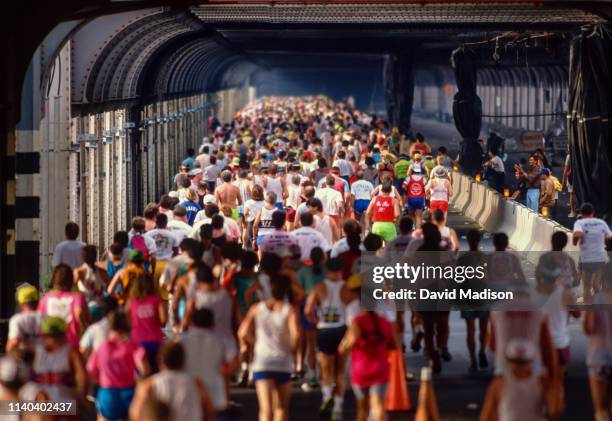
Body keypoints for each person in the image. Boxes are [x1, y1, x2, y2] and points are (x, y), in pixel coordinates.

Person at [239, 274, 301, 421]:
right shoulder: (289, 310)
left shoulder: (257, 308)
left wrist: (253, 342)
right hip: (283, 362)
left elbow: (242, 332)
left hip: (262, 361)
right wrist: (291, 349)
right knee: (280, 407)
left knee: (265, 410)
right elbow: (296, 335)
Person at [305, 257, 352, 420]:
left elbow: (308, 310)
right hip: (342, 330)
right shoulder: (347, 288)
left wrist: (316, 322)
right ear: (341, 271)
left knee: (326, 369)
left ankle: (326, 398)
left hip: (324, 330)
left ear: (327, 270)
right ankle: (338, 407)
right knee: (340, 370)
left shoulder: (319, 288)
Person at [129, 341, 213, 421]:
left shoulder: (149, 385)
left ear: (160, 361)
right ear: (183, 361)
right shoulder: (197, 384)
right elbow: (209, 410)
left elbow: (136, 414)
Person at [87, 311, 148, 421]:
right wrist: (141, 379)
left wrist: (99, 382)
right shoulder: (132, 346)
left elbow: (90, 370)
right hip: (128, 392)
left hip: (107, 392)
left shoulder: (102, 347)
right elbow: (144, 367)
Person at [339, 306, 396, 421]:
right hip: (380, 370)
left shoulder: (358, 321)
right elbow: (394, 344)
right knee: (378, 406)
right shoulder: (384, 322)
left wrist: (343, 344)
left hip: (361, 372)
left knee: (362, 409)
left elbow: (346, 346)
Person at [480, 339, 559, 421]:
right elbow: (554, 411)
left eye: (523, 362)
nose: (521, 367)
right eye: (517, 362)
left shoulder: (499, 384)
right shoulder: (542, 381)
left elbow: (486, 416)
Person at [181, 307, 232, 414]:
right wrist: (223, 376)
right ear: (212, 323)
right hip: (214, 389)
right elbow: (234, 362)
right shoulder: (222, 340)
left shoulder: (182, 341)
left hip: (189, 388)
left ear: (192, 322)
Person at [32, 316, 88, 403]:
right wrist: (82, 400)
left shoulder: (35, 352)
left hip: (39, 404)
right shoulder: (72, 353)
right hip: (65, 404)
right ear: (64, 333)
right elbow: (83, 378)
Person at [457, 229, 490, 372]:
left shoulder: (462, 259)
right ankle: (482, 349)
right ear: (479, 240)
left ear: (468, 240)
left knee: (470, 330)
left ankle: (472, 360)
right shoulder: (485, 258)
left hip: (468, 297)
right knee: (483, 329)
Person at [583, 271, 612, 421]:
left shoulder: (597, 299)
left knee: (601, 410)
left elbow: (588, 328)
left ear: (605, 282)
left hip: (599, 357)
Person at [39, 265, 89, 349]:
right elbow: (81, 316)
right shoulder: (77, 298)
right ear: (71, 280)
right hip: (72, 346)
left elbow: (40, 322)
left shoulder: (46, 299)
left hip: (51, 346)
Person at [126, 272, 167, 374]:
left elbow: (125, 320)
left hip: (137, 343)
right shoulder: (157, 299)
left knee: (141, 375)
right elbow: (164, 320)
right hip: (155, 342)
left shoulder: (131, 302)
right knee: (156, 374)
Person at [572, 202, 612, 303]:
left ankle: (588, 310)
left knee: (586, 286)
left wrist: (575, 241)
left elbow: (576, 236)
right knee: (596, 284)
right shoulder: (601, 223)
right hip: (600, 257)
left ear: (582, 213)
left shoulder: (580, 223)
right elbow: (609, 237)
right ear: (592, 212)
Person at [145, 213, 180, 288]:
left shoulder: (148, 235)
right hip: (167, 266)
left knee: (153, 292)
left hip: (152, 265)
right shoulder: (172, 235)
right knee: (165, 294)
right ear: (166, 222)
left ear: (156, 222)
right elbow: (176, 252)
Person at [6, 283, 42, 353]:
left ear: (20, 303)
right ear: (37, 302)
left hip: (24, 361)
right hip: (44, 361)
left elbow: (14, 342)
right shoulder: (46, 318)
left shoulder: (16, 320)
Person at [253, 191, 279, 255]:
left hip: (262, 236)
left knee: (260, 252)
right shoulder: (277, 211)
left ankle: (261, 264)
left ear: (266, 200)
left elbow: (255, 225)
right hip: (273, 237)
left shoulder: (261, 210)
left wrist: (254, 238)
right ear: (275, 200)